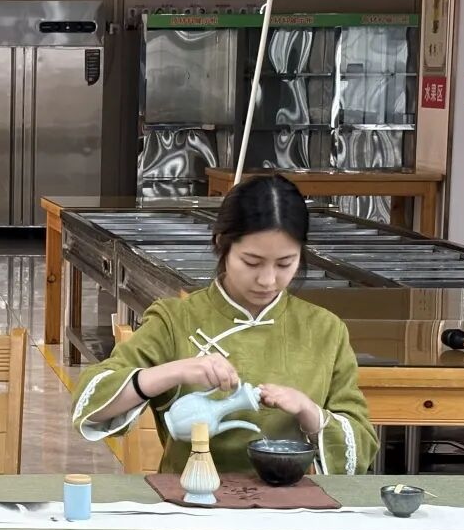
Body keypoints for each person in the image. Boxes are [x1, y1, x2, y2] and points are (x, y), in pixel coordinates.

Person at [71, 174, 377, 474]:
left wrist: (310, 412)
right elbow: (89, 404)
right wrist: (172, 372)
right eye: (252, 262)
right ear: (222, 244)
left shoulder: (325, 330)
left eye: (285, 263)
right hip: (190, 496)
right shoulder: (175, 319)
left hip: (292, 500)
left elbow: (360, 450)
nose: (268, 280)